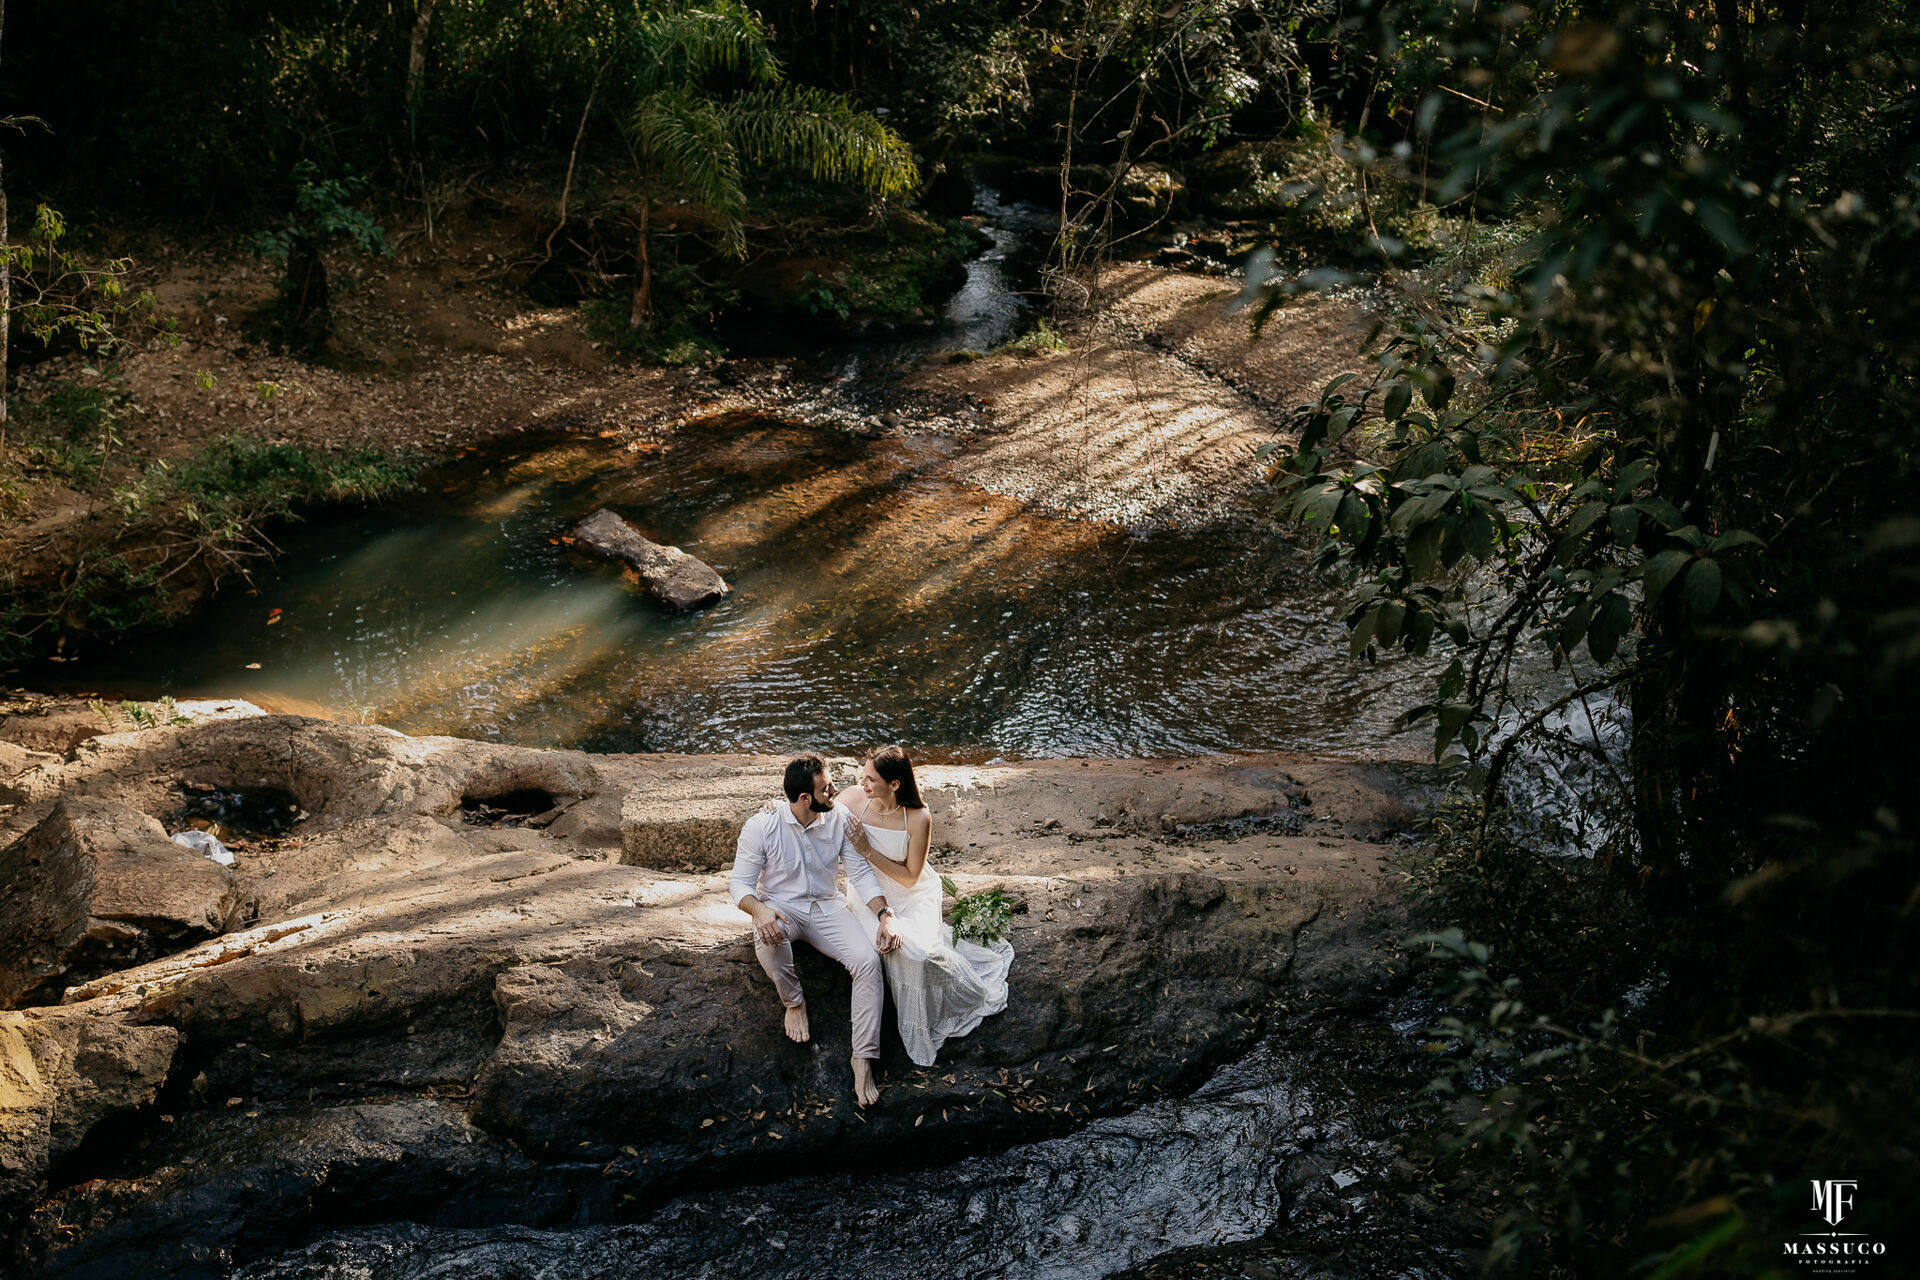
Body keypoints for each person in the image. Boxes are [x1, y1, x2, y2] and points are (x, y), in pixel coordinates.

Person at [730, 755, 901, 1107]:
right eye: (826, 787)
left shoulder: (837, 817)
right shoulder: (761, 826)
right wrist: (760, 910)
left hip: (828, 907)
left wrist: (885, 913)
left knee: (868, 961)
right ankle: (793, 1003)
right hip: (783, 907)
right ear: (805, 798)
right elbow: (739, 886)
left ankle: (863, 1057)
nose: (834, 790)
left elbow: (860, 873)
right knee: (768, 937)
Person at [839, 746, 1014, 1066]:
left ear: (894, 785)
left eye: (871, 779)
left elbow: (909, 877)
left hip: (912, 893)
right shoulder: (852, 799)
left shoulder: (919, 817)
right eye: (862, 775)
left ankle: (959, 999)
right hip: (868, 893)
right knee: (893, 950)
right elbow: (813, 817)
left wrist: (867, 850)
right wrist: (774, 809)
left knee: (922, 953)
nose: (862, 784)